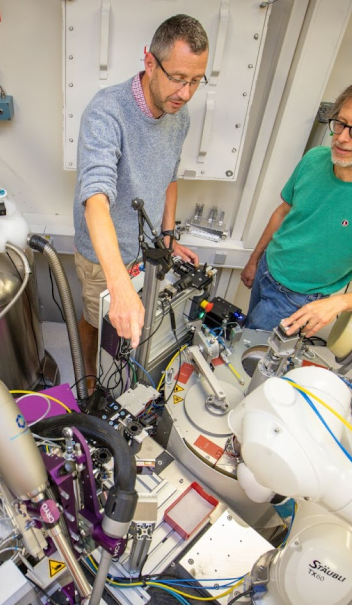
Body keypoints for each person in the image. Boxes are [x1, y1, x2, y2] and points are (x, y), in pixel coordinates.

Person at [72, 14, 207, 389]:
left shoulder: (180, 117)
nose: (185, 92)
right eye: (178, 78)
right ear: (150, 63)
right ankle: (90, 380)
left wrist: (167, 235)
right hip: (103, 256)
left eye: (196, 81)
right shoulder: (106, 112)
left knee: (135, 328)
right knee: (96, 320)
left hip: (144, 246)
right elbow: (95, 199)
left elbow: (170, 177)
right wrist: (118, 287)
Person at [242, 71, 352, 338]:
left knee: (253, 357)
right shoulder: (315, 159)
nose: (343, 137)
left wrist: (337, 303)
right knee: (246, 337)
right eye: (341, 123)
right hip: (268, 269)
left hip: (298, 300)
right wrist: (254, 260)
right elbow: (283, 212)